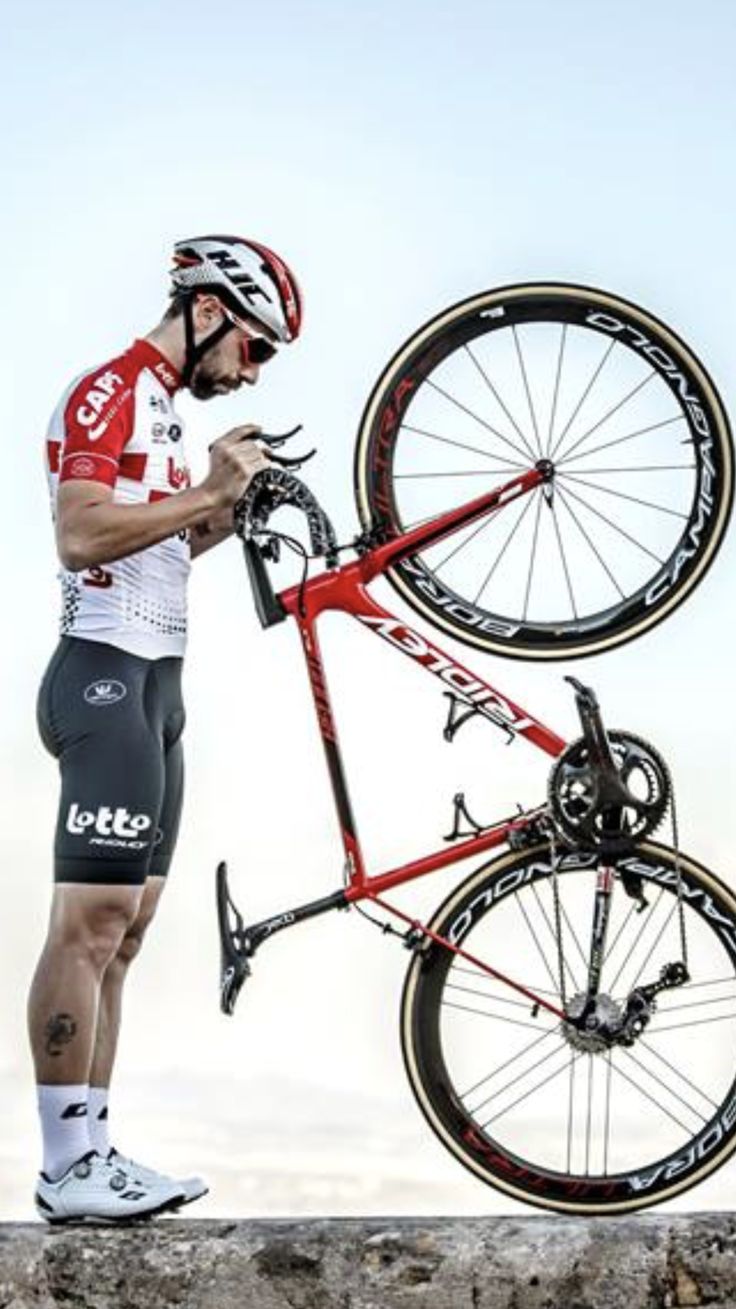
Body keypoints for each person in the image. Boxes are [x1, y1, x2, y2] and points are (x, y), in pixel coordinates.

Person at [29, 235, 303, 1223]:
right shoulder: (108, 389)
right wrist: (205, 493)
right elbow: (79, 531)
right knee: (88, 925)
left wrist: (225, 511)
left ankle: (92, 1148)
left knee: (127, 933)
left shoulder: (166, 416)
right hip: (103, 679)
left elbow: (166, 542)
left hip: (159, 687)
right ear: (210, 311)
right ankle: (64, 1164)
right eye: (255, 346)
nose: (251, 370)